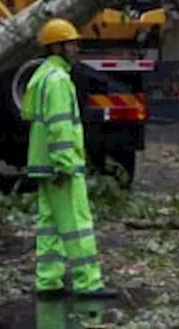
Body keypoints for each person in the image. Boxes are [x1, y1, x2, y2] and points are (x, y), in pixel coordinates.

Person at [23, 18, 117, 299]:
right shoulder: (59, 80)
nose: (76, 48)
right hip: (60, 166)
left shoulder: (42, 75)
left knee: (49, 225)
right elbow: (59, 127)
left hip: (44, 164)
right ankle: (88, 283)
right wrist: (65, 164)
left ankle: (49, 282)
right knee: (78, 224)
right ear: (57, 47)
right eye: (71, 44)